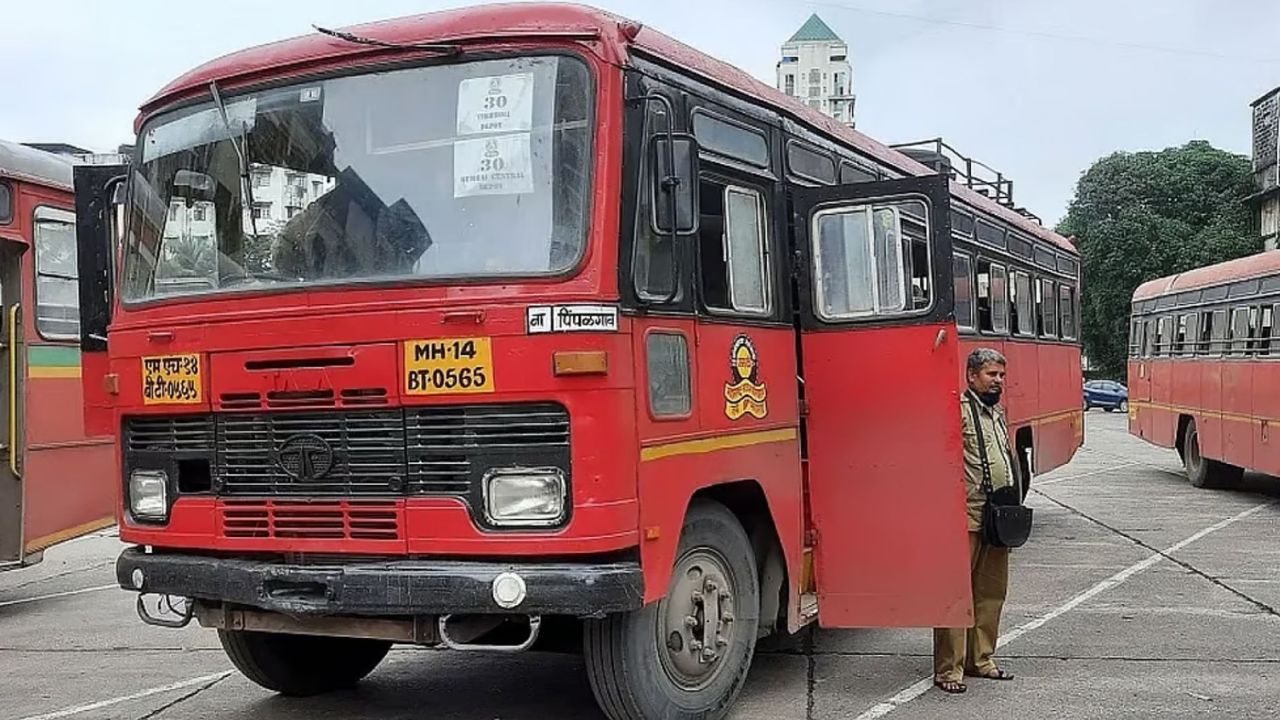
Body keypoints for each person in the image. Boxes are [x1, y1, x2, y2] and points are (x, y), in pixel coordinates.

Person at [933, 347, 1023, 694]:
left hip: (996, 518)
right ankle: (949, 670)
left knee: (991, 591)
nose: (998, 380)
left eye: (1001, 375)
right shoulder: (959, 411)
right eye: (991, 374)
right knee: (957, 593)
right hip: (966, 515)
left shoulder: (996, 413)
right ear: (972, 376)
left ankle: (980, 660)